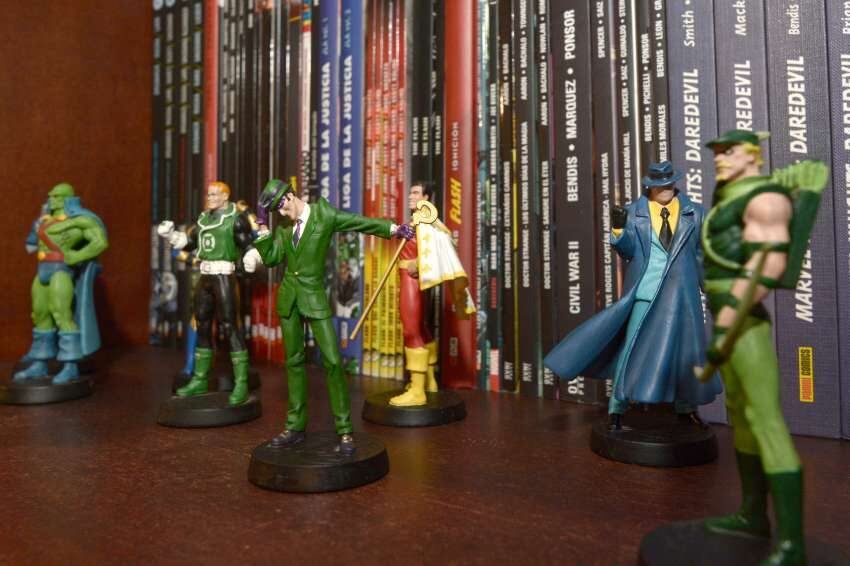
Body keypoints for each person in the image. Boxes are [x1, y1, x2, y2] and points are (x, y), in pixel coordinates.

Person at [699, 129, 827, 565]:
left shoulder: (765, 200)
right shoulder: (730, 196)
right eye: (717, 151)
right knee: (740, 412)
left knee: (765, 419)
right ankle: (753, 514)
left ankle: (791, 544)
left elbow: (767, 265)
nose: (720, 158)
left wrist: (727, 324)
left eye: (729, 151)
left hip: (744, 323)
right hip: (725, 314)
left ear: (752, 155)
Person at [544, 161, 721, 428]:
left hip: (683, 294)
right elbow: (627, 252)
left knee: (687, 354)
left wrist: (710, 285)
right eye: (659, 185)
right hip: (646, 291)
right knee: (631, 349)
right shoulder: (634, 212)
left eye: (669, 184)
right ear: (649, 186)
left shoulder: (695, 213)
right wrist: (617, 230)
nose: (665, 189)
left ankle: (686, 408)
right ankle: (617, 408)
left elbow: (700, 254)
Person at [244, 179, 413, 454]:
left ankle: (345, 430)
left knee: (333, 361)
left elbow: (358, 222)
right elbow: (273, 259)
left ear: (290, 196)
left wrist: (394, 229)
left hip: (314, 299)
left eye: (282, 207)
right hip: (289, 300)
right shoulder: (284, 227)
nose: (282, 214)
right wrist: (262, 227)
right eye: (276, 212)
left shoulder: (324, 215)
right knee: (293, 362)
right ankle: (294, 427)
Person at [157, 181, 256, 406]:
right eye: (208, 194)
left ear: (225, 197)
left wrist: (252, 257)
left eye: (214, 194)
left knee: (230, 326)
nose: (209, 197)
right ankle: (200, 378)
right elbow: (189, 242)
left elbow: (248, 245)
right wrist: (171, 235)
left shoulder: (235, 219)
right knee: (201, 323)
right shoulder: (203, 219)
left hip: (224, 275)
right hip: (205, 275)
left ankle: (241, 382)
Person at [15, 182, 108, 383]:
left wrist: (77, 255)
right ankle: (40, 363)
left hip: (60, 272)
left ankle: (70, 365)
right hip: (42, 270)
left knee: (62, 315)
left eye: (57, 196)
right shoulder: (44, 220)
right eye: (51, 196)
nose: (52, 199)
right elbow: (31, 245)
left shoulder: (79, 220)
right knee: (40, 314)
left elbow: (100, 241)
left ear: (68, 199)